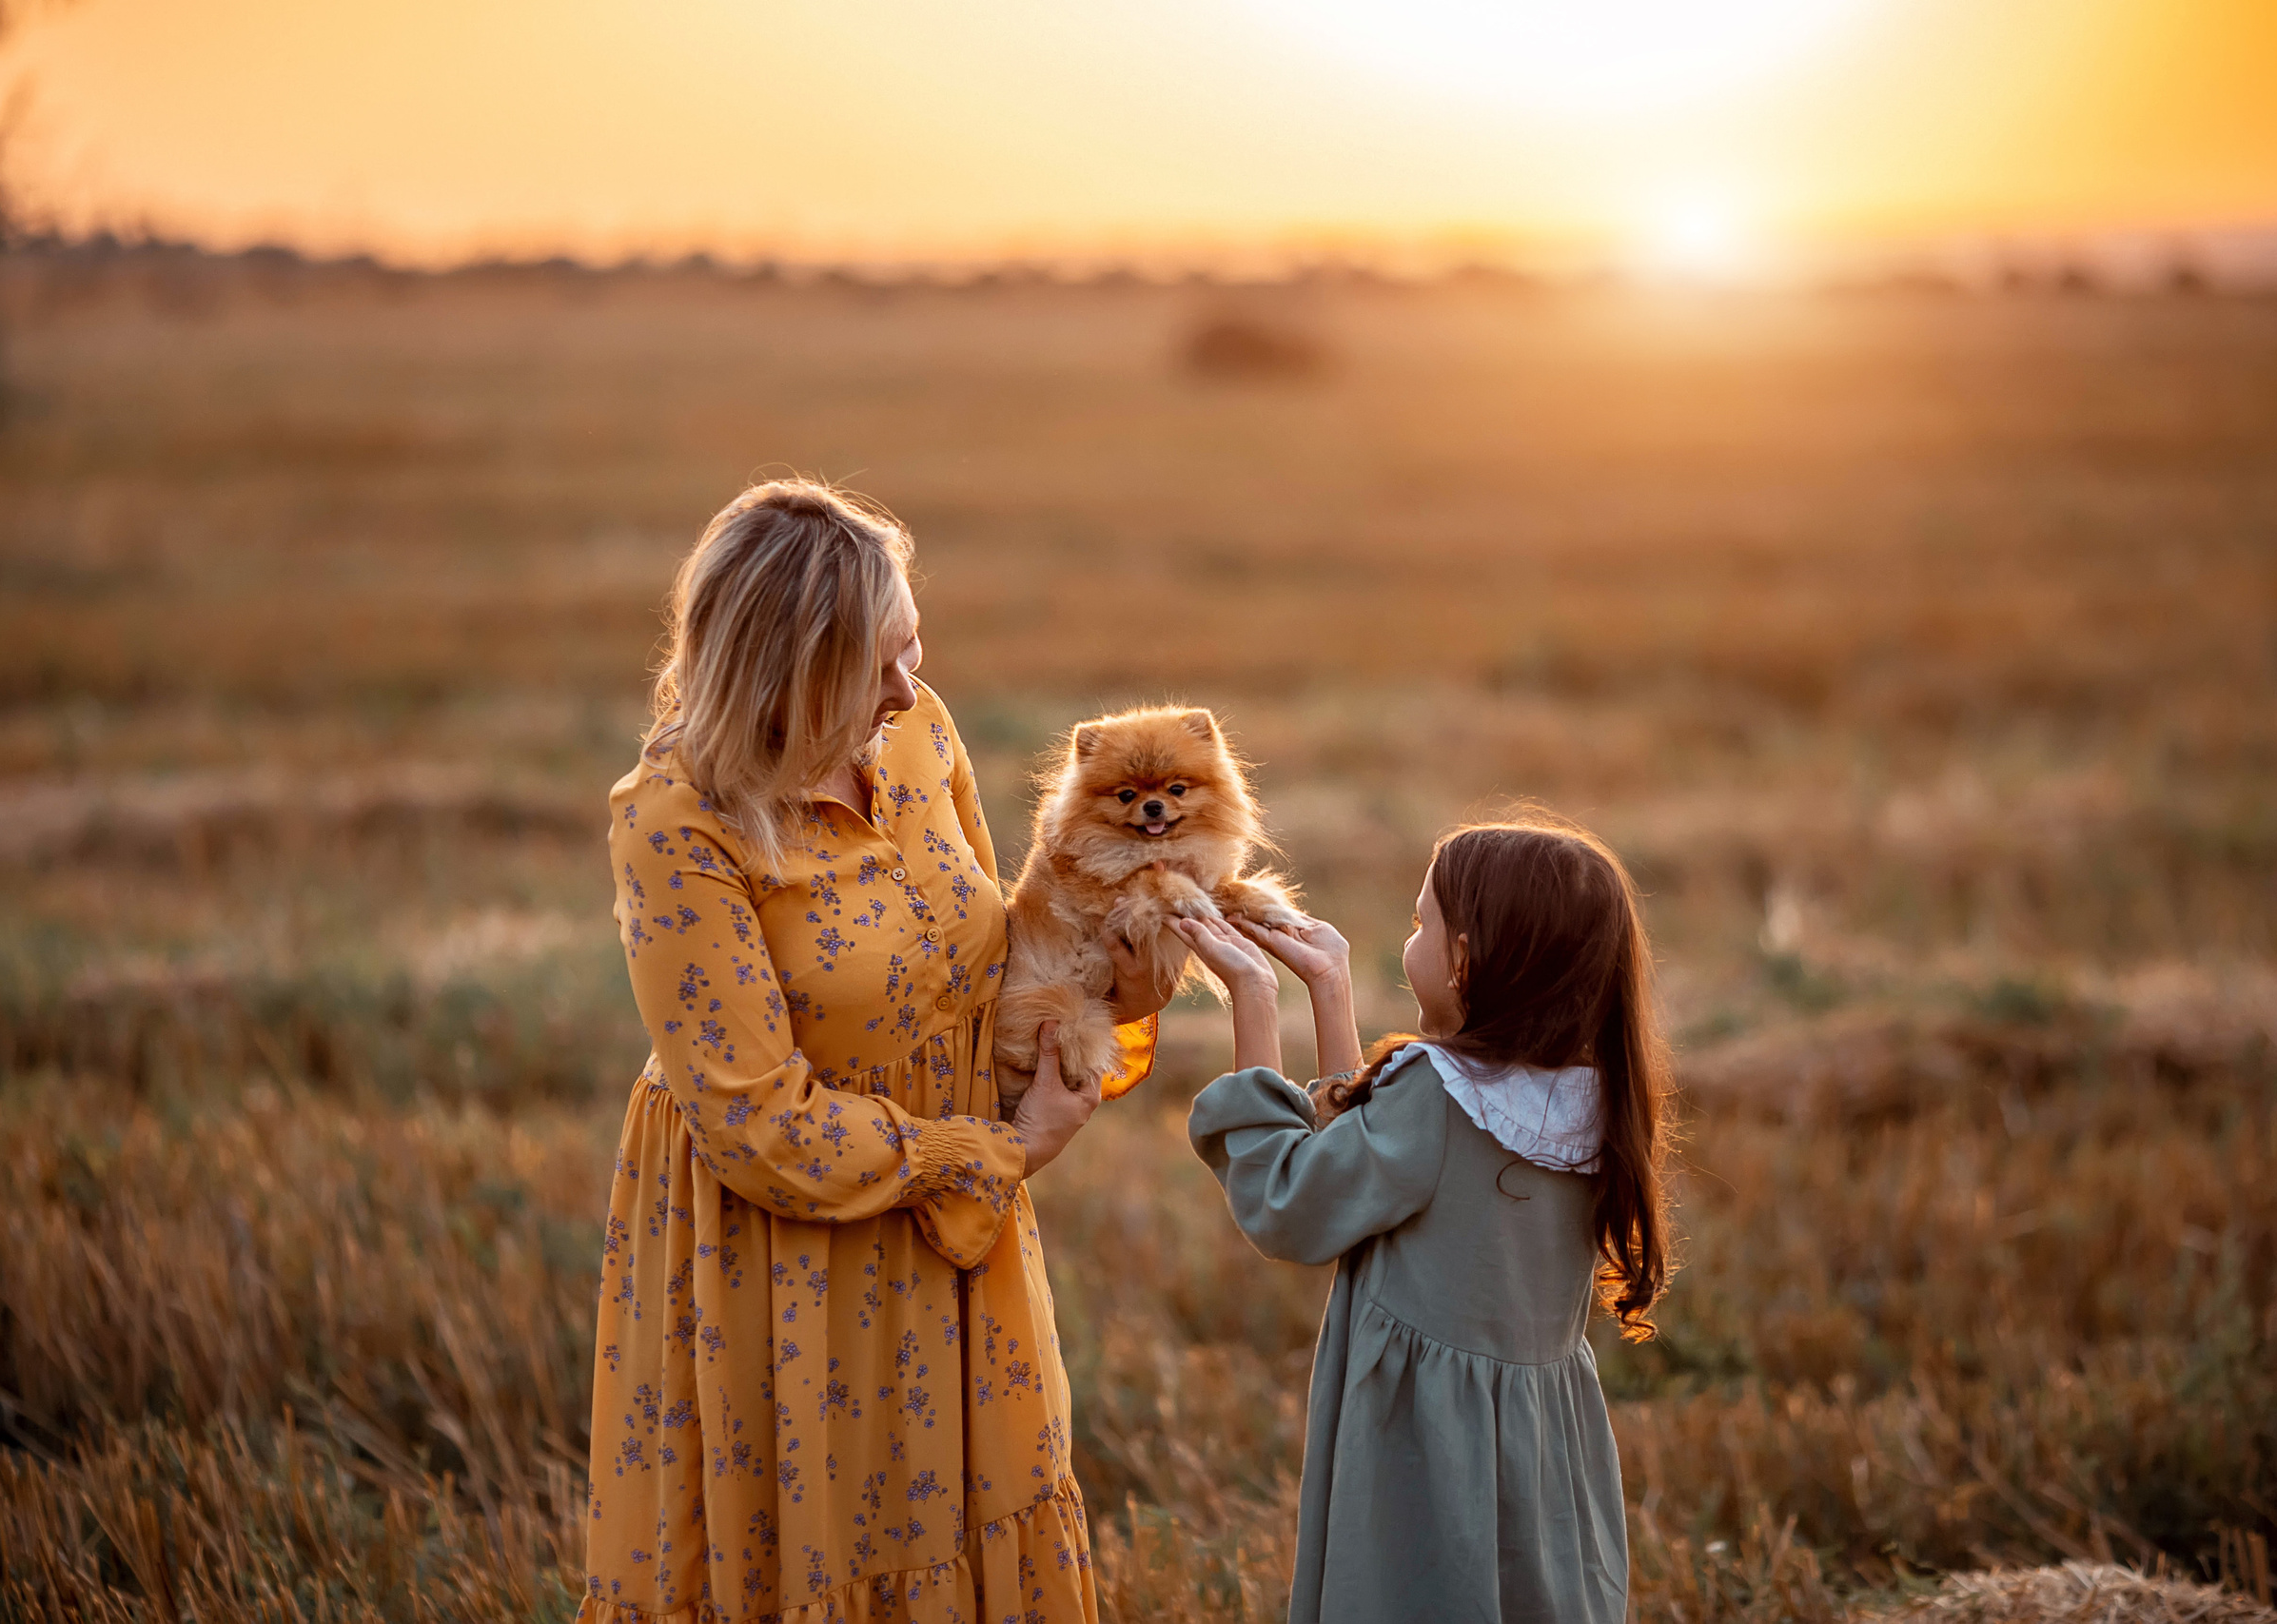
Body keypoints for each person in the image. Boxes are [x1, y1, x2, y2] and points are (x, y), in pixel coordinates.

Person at [579, 479, 1176, 1624]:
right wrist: (998, 1155)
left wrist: (1144, 954)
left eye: (912, 644)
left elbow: (1001, 950)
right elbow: (756, 1123)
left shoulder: (913, 730)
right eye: (874, 665)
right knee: (832, 1549)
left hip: (962, 1229)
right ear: (781, 674)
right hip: (790, 1254)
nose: (908, 687)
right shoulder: (674, 823)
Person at [1172, 817, 1674, 1624]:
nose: (1409, 940)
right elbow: (1375, 1168)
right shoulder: (1592, 1094)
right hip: (1542, 1450)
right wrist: (1330, 988)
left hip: (1426, 1453)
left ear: (1465, 957)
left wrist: (1255, 1000)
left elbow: (1293, 1204)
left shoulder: (1438, 1091)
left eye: (1420, 922)